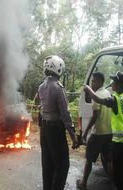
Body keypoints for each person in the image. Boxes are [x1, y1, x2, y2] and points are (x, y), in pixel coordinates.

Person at [84, 71, 123, 190]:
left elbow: (97, 99)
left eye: (114, 82)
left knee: (117, 170)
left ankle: (116, 185)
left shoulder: (115, 100)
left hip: (118, 141)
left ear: (119, 85)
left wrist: (88, 89)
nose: (111, 84)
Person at [38, 55, 76, 190]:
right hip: (55, 130)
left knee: (47, 164)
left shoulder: (41, 86)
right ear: (59, 68)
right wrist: (73, 135)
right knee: (62, 165)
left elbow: (41, 108)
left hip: (44, 129)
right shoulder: (58, 88)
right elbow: (65, 114)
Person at [76, 72, 112, 189]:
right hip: (109, 133)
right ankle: (113, 182)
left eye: (94, 81)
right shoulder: (107, 93)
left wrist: (86, 132)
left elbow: (95, 116)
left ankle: (83, 183)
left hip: (98, 133)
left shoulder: (96, 95)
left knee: (89, 159)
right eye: (92, 81)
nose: (92, 83)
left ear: (101, 82)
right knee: (108, 159)